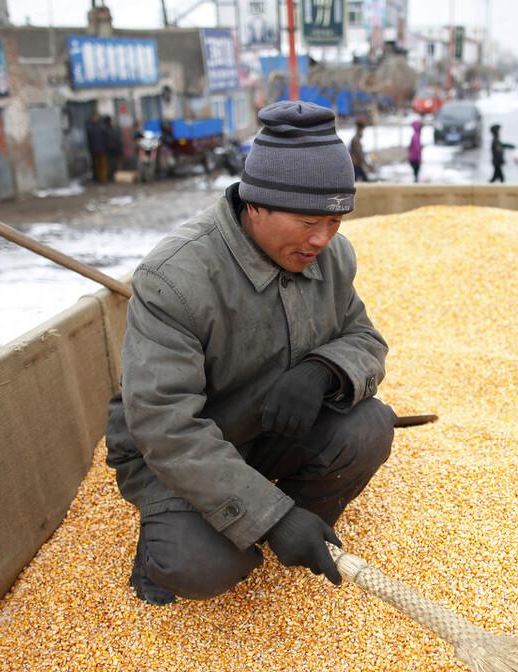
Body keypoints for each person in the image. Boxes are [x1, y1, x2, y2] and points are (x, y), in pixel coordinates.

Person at [106, 100, 394, 605]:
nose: (323, 239)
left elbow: (366, 340)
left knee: (370, 426)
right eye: (309, 221)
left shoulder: (332, 256)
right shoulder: (174, 278)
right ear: (255, 204)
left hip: (264, 433)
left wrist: (322, 371)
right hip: (178, 452)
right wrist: (273, 516)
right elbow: (163, 425)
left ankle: (284, 526)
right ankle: (172, 538)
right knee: (202, 567)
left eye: (336, 222)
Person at [86, 112, 107, 184]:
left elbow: (105, 138)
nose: (95, 119)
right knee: (96, 166)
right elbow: (89, 139)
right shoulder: (90, 127)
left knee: (102, 165)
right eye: (94, 118)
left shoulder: (101, 127)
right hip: (94, 150)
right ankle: (99, 179)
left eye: (96, 117)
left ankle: (103, 180)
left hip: (101, 149)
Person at [102, 115, 122, 182]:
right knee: (110, 163)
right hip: (109, 149)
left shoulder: (109, 128)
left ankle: (112, 175)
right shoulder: (106, 129)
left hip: (112, 149)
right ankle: (110, 176)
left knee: (112, 163)